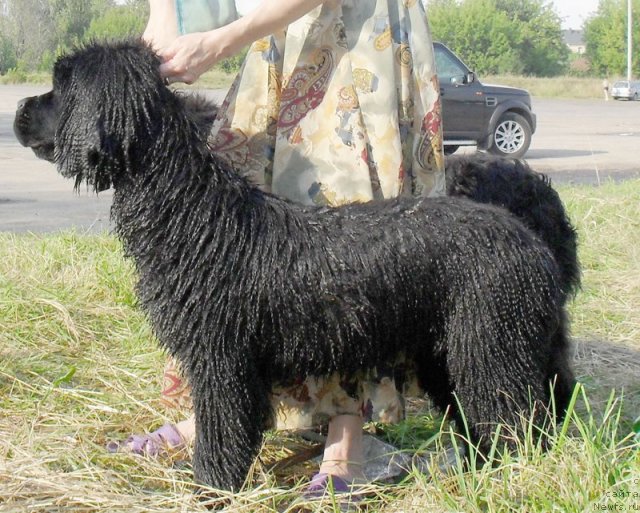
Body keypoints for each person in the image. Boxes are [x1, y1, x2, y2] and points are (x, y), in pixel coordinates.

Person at [113, 0, 445, 495]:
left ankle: (344, 441)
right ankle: (218, 416)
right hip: (280, 32)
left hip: (356, 28)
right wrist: (162, 23)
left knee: (347, 229)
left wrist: (224, 37)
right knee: (233, 226)